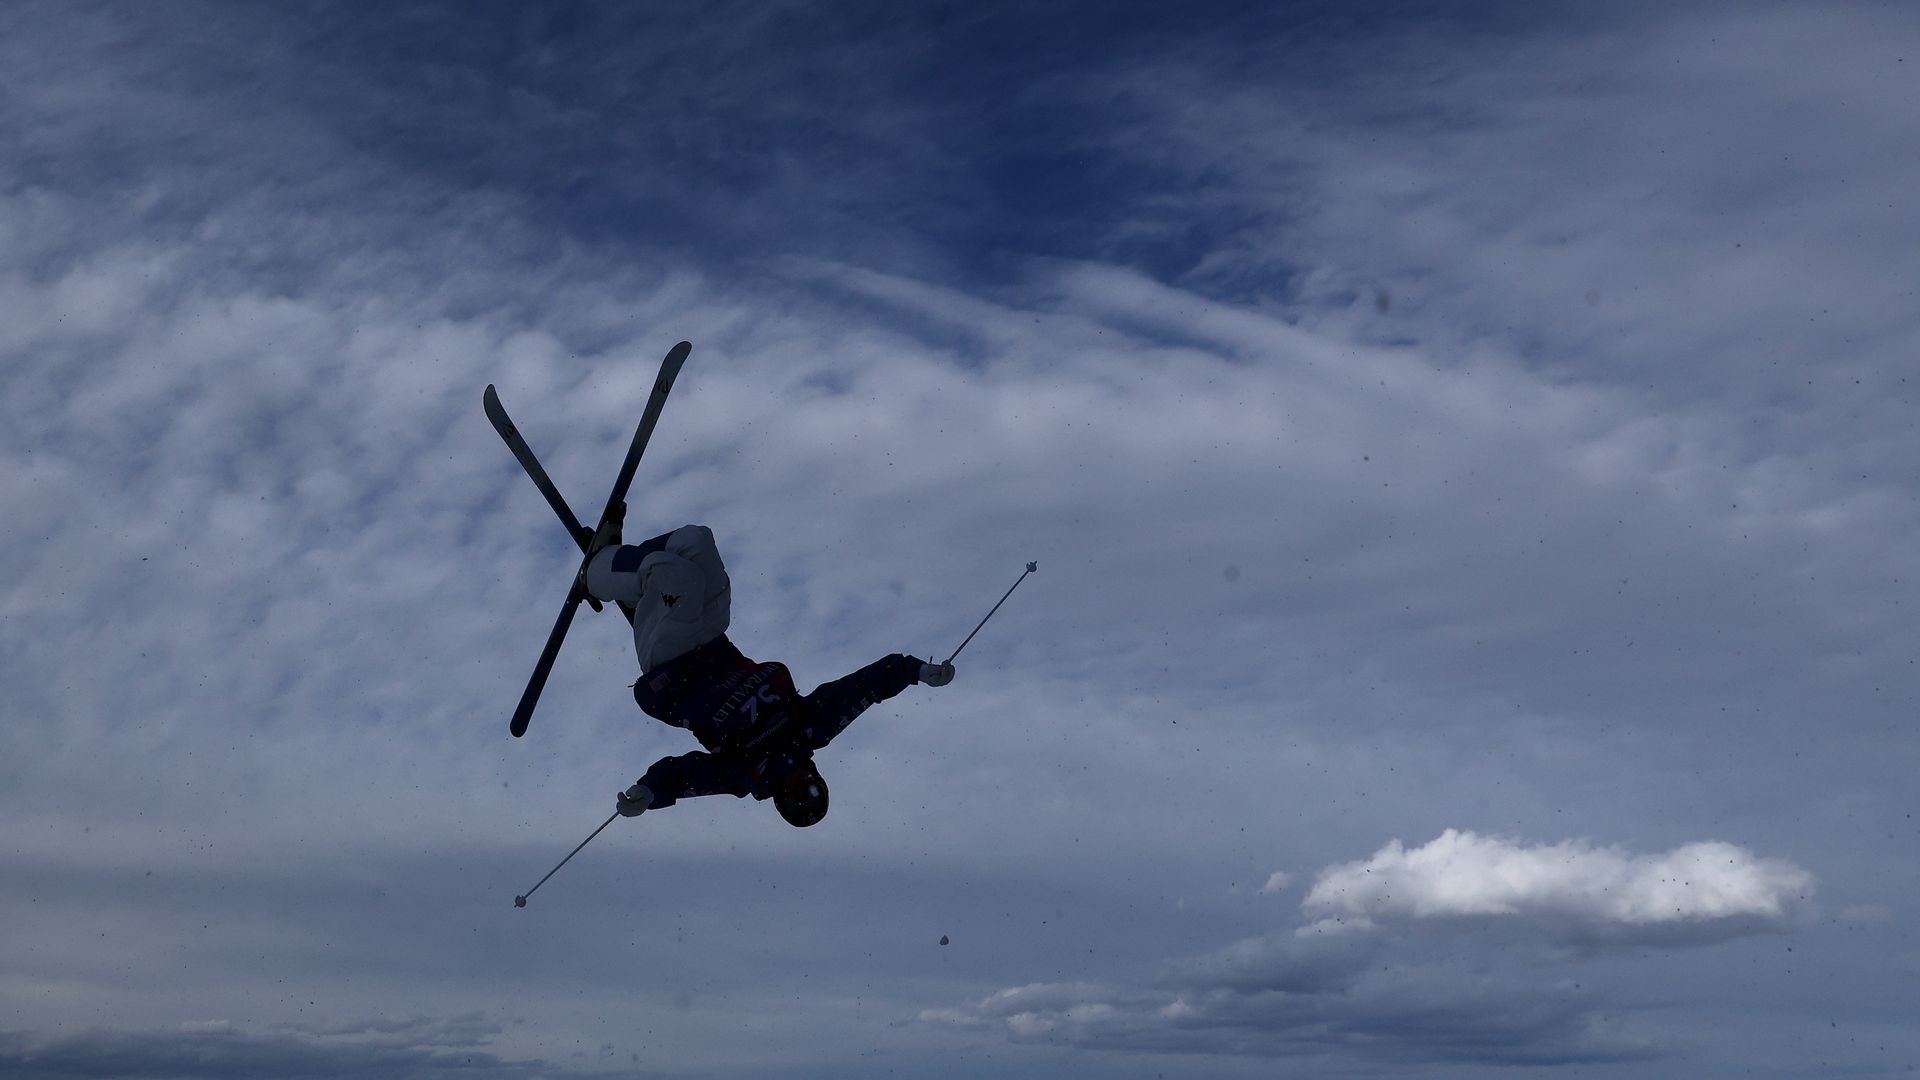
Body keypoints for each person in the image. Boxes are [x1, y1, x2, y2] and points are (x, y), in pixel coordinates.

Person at [582, 523, 954, 828]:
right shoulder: (810, 727)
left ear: (781, 798)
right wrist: (919, 671)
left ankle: (596, 572)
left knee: (677, 578)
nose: (801, 781)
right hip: (711, 639)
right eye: (812, 785)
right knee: (695, 542)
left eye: (797, 792)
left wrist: (648, 793)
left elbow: (684, 776)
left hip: (671, 668)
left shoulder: (744, 773)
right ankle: (625, 570)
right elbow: (866, 687)